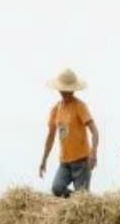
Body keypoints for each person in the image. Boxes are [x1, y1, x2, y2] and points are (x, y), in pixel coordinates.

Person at [39, 68, 100, 198]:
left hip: (82, 161)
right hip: (65, 162)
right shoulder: (56, 109)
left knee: (82, 197)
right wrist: (44, 159)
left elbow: (95, 132)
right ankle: (77, 204)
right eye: (64, 89)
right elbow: (50, 137)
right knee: (57, 188)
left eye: (69, 89)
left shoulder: (80, 106)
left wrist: (93, 153)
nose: (66, 92)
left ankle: (82, 203)